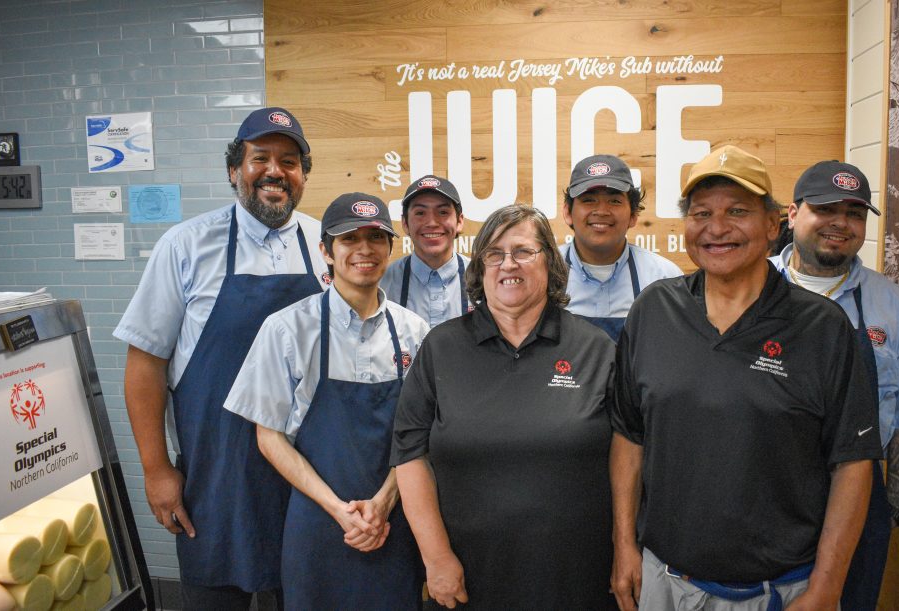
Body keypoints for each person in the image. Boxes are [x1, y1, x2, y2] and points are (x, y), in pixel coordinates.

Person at [610, 145, 883, 611]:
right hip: (666, 583)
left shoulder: (824, 327)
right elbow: (629, 437)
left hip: (783, 592)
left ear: (773, 224)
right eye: (702, 213)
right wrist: (624, 547)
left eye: (738, 211)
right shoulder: (653, 311)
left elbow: (853, 464)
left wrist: (827, 586)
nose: (717, 228)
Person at [113, 107, 325, 609]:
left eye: (289, 161)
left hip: (308, 469)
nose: (275, 171)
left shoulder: (325, 245)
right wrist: (156, 469)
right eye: (260, 158)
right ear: (234, 170)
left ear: (302, 176)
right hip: (217, 473)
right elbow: (145, 365)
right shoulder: (186, 246)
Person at [392, 205, 618, 610]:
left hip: (576, 578)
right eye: (494, 254)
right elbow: (409, 455)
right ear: (480, 268)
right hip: (468, 579)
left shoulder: (594, 348)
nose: (507, 264)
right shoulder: (441, 348)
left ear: (549, 260)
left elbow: (627, 453)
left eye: (522, 252)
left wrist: (625, 547)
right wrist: (436, 557)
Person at [224, 193, 428, 608]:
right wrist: (338, 509)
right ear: (326, 252)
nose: (364, 250)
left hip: (394, 523)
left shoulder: (415, 332)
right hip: (317, 524)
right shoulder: (286, 329)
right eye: (349, 238)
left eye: (376, 238)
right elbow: (269, 438)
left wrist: (384, 503)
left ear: (391, 247)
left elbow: (422, 436)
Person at [772, 160, 899, 610]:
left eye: (853, 213)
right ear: (792, 214)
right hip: (760, 495)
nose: (840, 222)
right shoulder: (750, 287)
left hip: (860, 501)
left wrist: (885, 512)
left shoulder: (896, 308)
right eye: (825, 208)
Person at [560, 154, 682, 341]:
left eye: (615, 201)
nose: (601, 211)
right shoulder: (543, 271)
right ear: (568, 212)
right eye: (588, 200)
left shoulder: (664, 276)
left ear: (633, 215)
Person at [382, 175, 470, 326]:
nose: (431, 222)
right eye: (420, 213)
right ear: (405, 223)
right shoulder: (382, 284)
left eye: (443, 212)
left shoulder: (485, 278)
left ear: (459, 221)